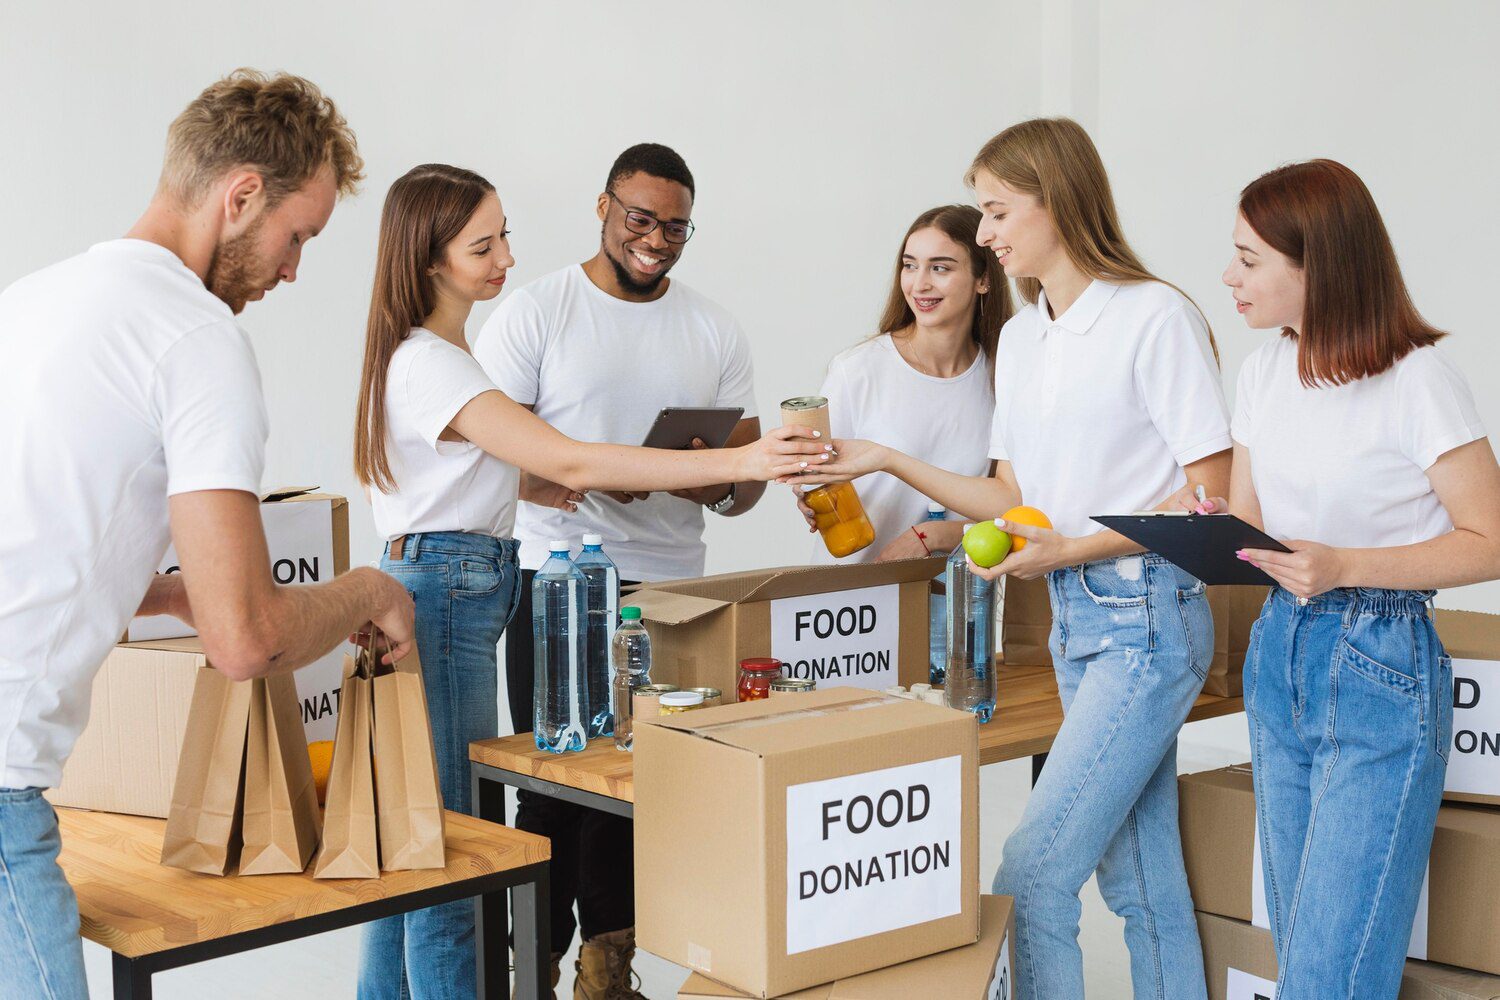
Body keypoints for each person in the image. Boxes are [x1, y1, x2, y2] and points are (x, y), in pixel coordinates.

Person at [354, 163, 827, 1000]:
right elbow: (564, 452)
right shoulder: (438, 358)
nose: (505, 257)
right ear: (430, 258)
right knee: (452, 847)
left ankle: (593, 969)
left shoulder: (443, 352)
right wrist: (742, 457)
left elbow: (494, 469)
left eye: (504, 236)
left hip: (456, 577)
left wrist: (536, 484)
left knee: (427, 838)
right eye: (483, 243)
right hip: (453, 587)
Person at [0, 70, 414, 999]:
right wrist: (371, 591)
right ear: (239, 198)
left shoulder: (31, 302)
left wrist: (164, 591)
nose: (293, 269)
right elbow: (248, 642)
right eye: (296, 235)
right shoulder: (194, 338)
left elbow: (35, 538)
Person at [802, 118, 1231, 999]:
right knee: (1141, 882)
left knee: (1031, 874)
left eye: (997, 211)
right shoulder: (1028, 338)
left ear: (1057, 201)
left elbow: (1208, 500)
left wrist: (1076, 545)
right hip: (1075, 620)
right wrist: (883, 457)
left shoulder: (1154, 316)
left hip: (1144, 615)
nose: (986, 233)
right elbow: (1004, 495)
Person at [473, 142, 765, 998]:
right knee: (556, 778)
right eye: (641, 219)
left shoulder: (714, 327)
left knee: (639, 781)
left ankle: (607, 973)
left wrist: (713, 475)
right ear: (603, 208)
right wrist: (578, 474)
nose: (657, 240)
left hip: (671, 588)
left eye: (676, 227)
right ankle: (536, 965)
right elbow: (483, 451)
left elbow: (741, 492)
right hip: (556, 577)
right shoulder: (537, 311)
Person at [1216, 159, 1500, 999]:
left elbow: (1490, 540)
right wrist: (1213, 531)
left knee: (1332, 976)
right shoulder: (1264, 371)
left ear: (1320, 267)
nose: (1229, 277)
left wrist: (1345, 567)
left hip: (1379, 660)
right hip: (1279, 652)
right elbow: (1253, 524)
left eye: (1250, 260)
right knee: (1300, 950)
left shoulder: (1418, 381)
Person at [796, 204, 1011, 563]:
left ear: (983, 278)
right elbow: (815, 479)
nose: (920, 283)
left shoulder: (1002, 378)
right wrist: (806, 491)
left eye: (940, 267)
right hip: (856, 599)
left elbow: (1007, 509)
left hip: (951, 595)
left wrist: (933, 535)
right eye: (910, 266)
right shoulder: (857, 371)